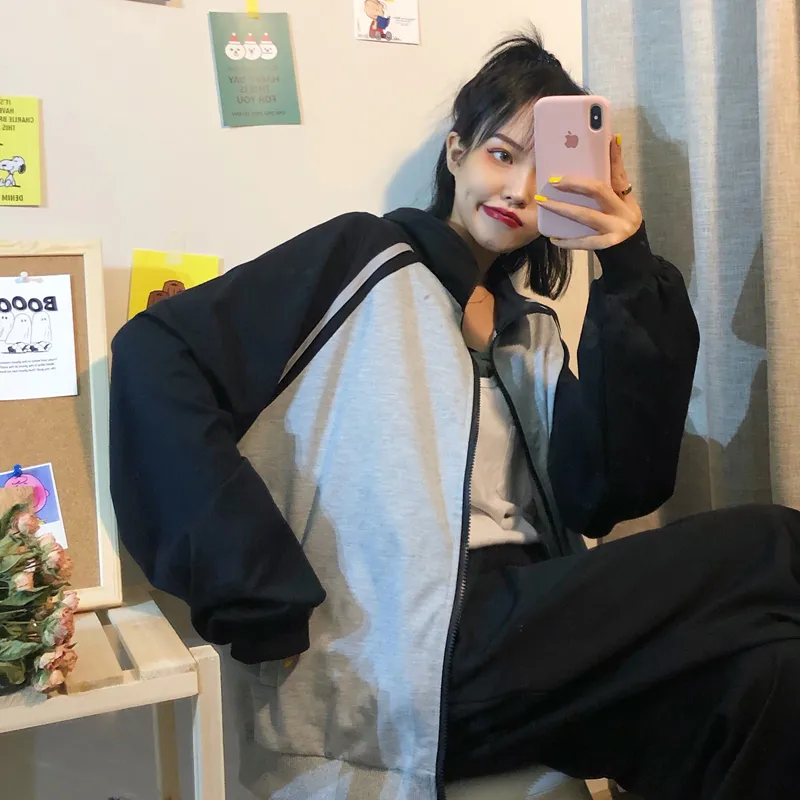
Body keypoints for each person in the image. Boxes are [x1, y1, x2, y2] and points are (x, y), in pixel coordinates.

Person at [109, 30, 800, 800]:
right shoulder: (360, 261)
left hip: (526, 643)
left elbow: (610, 493)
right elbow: (155, 351)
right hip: (406, 648)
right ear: (457, 152)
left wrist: (628, 263)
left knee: (773, 676)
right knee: (775, 545)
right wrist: (252, 585)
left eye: (545, 173)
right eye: (502, 155)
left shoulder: (530, 332)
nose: (518, 190)